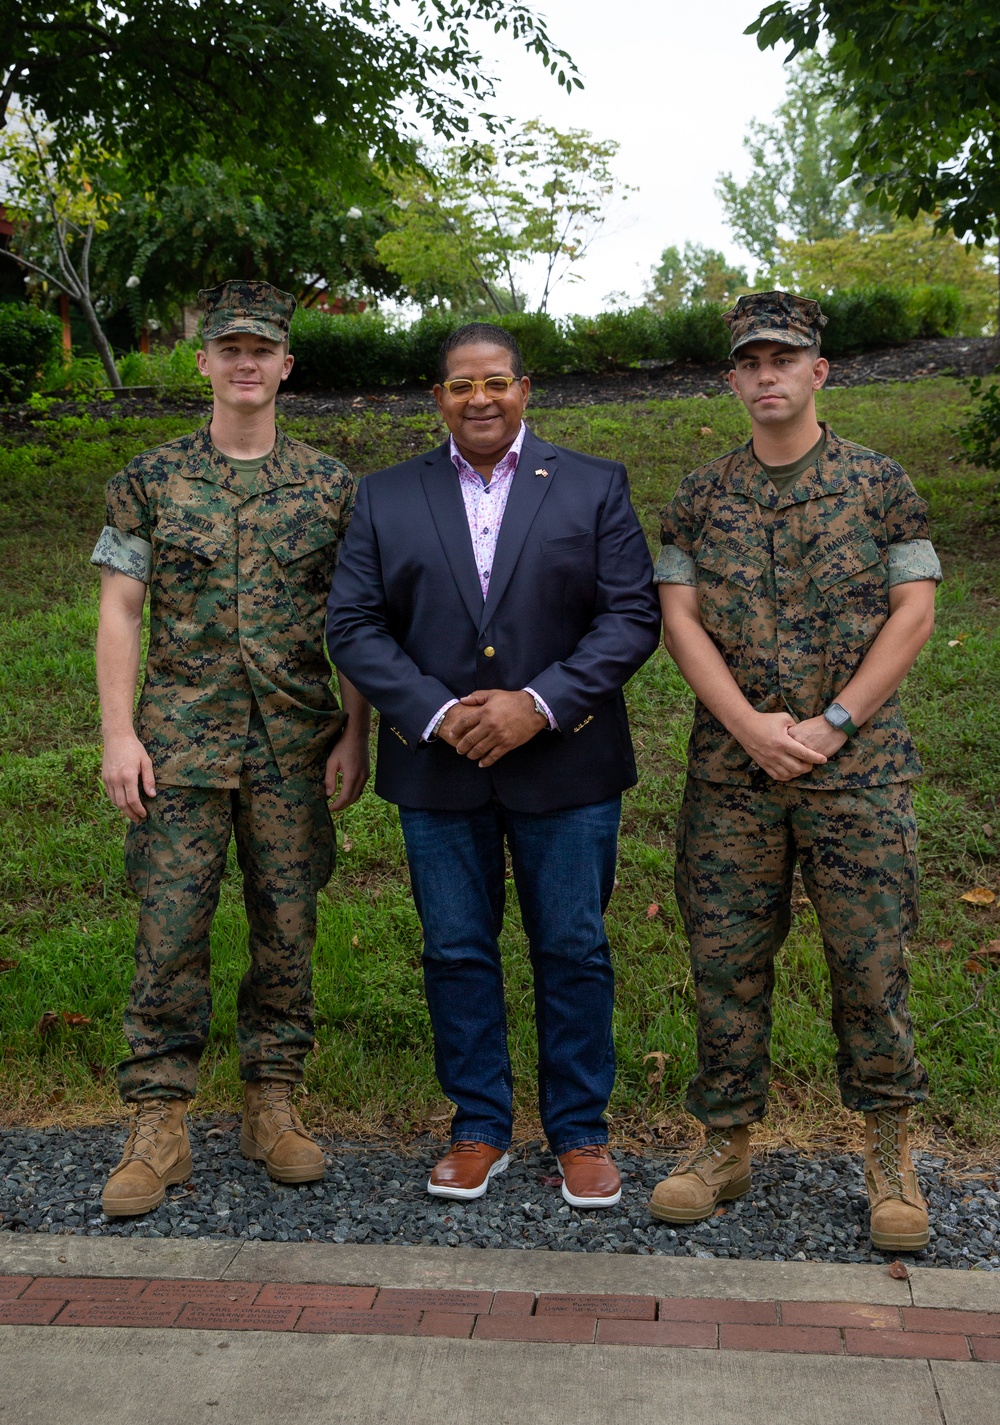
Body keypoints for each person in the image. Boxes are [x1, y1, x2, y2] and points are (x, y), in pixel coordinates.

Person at [326, 322, 660, 1207]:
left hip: (567, 761)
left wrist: (536, 703)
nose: (482, 398)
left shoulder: (592, 485)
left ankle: (580, 1131)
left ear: (525, 389)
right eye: (462, 384)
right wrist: (435, 712)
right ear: (438, 396)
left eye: (498, 382)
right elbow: (354, 624)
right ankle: (478, 1124)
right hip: (436, 768)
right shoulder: (385, 496)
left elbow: (630, 617)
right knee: (457, 950)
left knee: (574, 948)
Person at [649, 291, 941, 1251]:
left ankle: (891, 1154)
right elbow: (678, 619)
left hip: (856, 774)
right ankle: (724, 1140)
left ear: (820, 370)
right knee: (726, 960)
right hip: (735, 777)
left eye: (786, 358)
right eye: (751, 362)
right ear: (732, 379)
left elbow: (914, 611)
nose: (767, 375)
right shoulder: (701, 494)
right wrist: (748, 725)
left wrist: (833, 720)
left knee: (870, 963)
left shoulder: (879, 483)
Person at [92, 280, 369, 1216]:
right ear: (204, 362)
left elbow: (356, 621)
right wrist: (119, 732)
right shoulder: (149, 479)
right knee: (169, 932)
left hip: (294, 741)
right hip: (178, 744)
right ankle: (159, 1119)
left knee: (286, 930)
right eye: (229, 348)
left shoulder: (331, 488)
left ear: (287, 365)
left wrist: (356, 731)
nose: (246, 362)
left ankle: (271, 1102)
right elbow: (120, 609)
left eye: (263, 349)